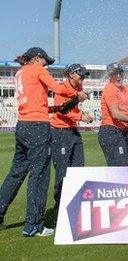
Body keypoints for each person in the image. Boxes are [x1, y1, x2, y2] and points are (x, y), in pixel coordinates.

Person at [0, 47, 87, 236]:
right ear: (37, 58)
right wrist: (77, 94)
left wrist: (56, 108)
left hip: (23, 125)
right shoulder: (38, 69)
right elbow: (58, 88)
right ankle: (34, 226)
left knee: (16, 173)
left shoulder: (21, 72)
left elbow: (36, 103)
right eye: (45, 61)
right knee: (39, 176)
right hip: (37, 127)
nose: (46, 64)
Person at [50, 64, 93, 219]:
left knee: (79, 167)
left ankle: (76, 204)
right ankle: (59, 208)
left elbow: (74, 106)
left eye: (84, 75)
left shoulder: (78, 86)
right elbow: (62, 111)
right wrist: (83, 117)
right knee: (62, 171)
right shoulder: (62, 88)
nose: (82, 78)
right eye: (80, 75)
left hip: (73, 131)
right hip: (60, 132)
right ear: (70, 74)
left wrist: (81, 105)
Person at [98, 63, 128, 166]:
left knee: (125, 166)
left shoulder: (123, 89)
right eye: (115, 74)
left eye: (120, 73)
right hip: (110, 131)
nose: (118, 76)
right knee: (120, 167)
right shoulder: (110, 88)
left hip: (120, 132)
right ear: (109, 76)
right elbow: (115, 114)